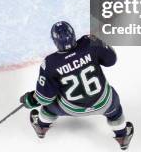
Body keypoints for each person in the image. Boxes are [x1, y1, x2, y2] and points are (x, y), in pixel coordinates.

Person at [19, 21, 134, 150]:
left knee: (49, 107)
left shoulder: (50, 63)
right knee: (115, 109)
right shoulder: (89, 42)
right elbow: (111, 60)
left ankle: (41, 127)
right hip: (103, 103)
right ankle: (122, 136)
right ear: (73, 34)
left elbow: (45, 98)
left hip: (70, 108)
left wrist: (30, 99)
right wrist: (96, 44)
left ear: (55, 41)